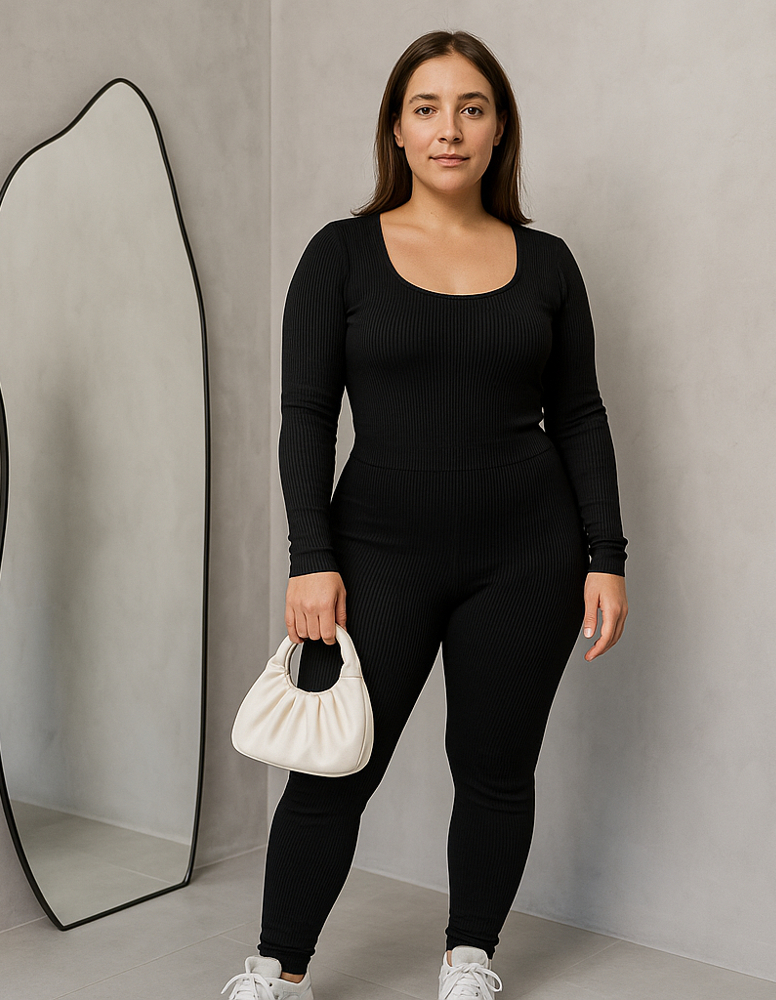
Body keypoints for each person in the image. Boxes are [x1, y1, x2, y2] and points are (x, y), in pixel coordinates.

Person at [222, 29, 628, 1000]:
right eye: (427, 108)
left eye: (471, 108)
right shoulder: (341, 254)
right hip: (374, 554)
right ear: (397, 131)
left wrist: (605, 555)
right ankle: (277, 969)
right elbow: (305, 415)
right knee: (333, 769)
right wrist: (310, 556)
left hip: (528, 555)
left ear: (499, 131)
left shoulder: (548, 264)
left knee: (495, 767)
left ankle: (469, 957)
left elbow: (579, 413)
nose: (450, 128)